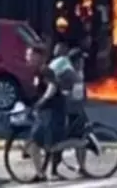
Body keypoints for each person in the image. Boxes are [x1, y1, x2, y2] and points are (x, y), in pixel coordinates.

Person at [29, 43, 78, 181]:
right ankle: (42, 173)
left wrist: (42, 100)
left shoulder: (45, 70)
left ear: (38, 57)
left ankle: (80, 143)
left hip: (53, 111)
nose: (28, 57)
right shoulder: (38, 71)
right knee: (43, 143)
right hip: (46, 111)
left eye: (30, 55)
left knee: (41, 143)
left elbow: (52, 87)